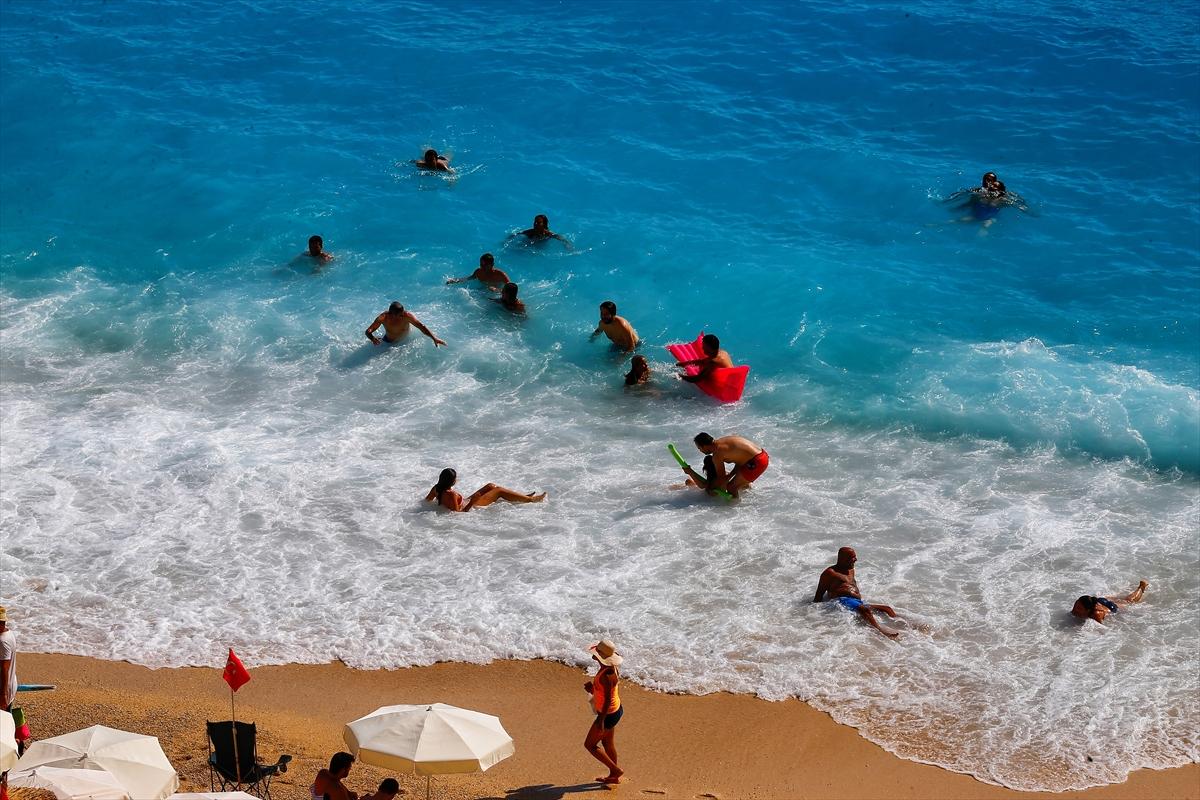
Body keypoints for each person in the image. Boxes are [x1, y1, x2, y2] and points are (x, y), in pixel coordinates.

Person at [813, 547, 902, 639]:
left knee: (887, 609)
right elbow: (818, 596)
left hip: (857, 602)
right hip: (841, 601)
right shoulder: (829, 573)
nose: (856, 560)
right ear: (843, 559)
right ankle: (881, 632)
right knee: (864, 609)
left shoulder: (850, 570)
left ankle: (903, 625)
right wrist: (816, 615)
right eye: (852, 557)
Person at [583, 639, 624, 785]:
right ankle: (614, 777)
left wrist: (600, 721)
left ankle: (615, 770)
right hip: (616, 710)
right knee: (607, 744)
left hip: (607, 714)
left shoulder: (606, 676)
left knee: (590, 745)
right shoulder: (610, 668)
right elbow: (607, 693)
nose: (593, 654)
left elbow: (606, 701)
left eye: (596, 652)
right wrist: (592, 689)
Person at [425, 468, 545, 511]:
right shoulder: (451, 494)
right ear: (452, 481)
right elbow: (458, 514)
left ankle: (522, 497)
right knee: (499, 491)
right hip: (474, 504)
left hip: (466, 500)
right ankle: (531, 499)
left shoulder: (436, 488)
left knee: (491, 486)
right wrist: (472, 502)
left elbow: (426, 501)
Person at [691, 432, 768, 496]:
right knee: (738, 482)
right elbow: (741, 458)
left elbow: (721, 479)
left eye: (699, 448)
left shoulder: (717, 454)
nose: (700, 451)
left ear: (704, 446)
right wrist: (732, 474)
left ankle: (735, 511)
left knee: (731, 487)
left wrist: (709, 488)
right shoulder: (723, 441)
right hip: (762, 455)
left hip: (756, 462)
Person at [365, 302, 446, 347]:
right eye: (400, 314)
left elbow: (421, 327)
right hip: (388, 342)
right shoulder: (383, 318)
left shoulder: (407, 316)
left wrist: (434, 338)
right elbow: (368, 331)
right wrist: (373, 339)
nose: (403, 315)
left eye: (402, 313)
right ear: (392, 314)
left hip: (404, 343)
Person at [1071, 581, 1149, 624]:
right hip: (1100, 601)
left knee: (1129, 601)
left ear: (1087, 610)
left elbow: (1101, 628)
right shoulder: (1078, 605)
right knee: (1121, 598)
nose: (1075, 608)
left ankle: (1141, 587)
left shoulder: (1097, 614)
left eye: (1079, 608)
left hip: (1110, 608)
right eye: (1076, 603)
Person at [0, 607, 15, 716]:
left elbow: (4, 668)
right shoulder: (9, 633)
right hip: (11, 683)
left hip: (3, 688)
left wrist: (3, 694)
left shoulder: (2, 641)